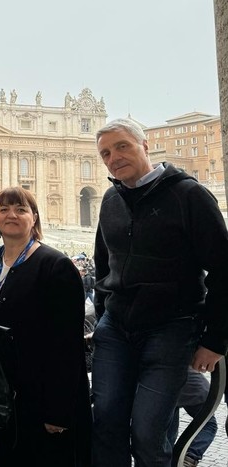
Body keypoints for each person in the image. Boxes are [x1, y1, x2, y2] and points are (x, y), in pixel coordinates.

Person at [92, 118, 228, 467]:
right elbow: (103, 265)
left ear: (145, 144)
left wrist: (215, 339)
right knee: (105, 421)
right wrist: (107, 311)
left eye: (122, 146)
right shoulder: (110, 200)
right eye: (106, 153)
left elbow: (224, 269)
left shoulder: (190, 195)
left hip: (171, 326)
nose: (113, 157)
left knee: (148, 432)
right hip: (117, 327)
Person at [0, 187, 91, 467]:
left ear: (34, 218)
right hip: (11, 394)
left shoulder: (56, 265)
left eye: (20, 209)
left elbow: (68, 345)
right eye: (3, 209)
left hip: (46, 395)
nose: (11, 215)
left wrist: (58, 411)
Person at [169, 369, 218, 467]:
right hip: (191, 386)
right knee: (208, 424)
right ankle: (189, 457)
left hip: (166, 386)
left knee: (168, 426)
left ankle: (169, 458)